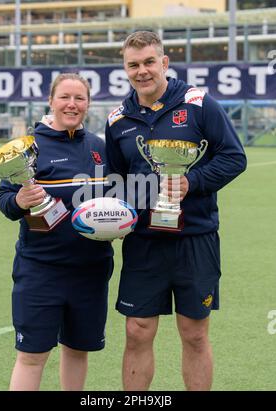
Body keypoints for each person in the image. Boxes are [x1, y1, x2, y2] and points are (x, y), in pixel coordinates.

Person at [105, 31, 247, 391]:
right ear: (125, 69)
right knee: (137, 331)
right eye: (133, 65)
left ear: (164, 63)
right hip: (144, 242)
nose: (142, 71)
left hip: (195, 239)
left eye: (149, 62)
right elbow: (116, 179)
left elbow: (234, 158)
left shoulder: (200, 104)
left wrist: (191, 181)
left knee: (194, 333)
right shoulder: (117, 120)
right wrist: (113, 211)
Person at [0, 73, 113, 391]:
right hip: (40, 271)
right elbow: (4, 201)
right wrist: (20, 199)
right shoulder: (28, 149)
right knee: (32, 355)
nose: (72, 104)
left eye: (79, 98)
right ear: (51, 100)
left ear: (88, 103)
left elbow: (116, 198)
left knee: (77, 350)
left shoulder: (100, 148)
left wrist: (119, 221)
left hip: (91, 270)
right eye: (64, 97)